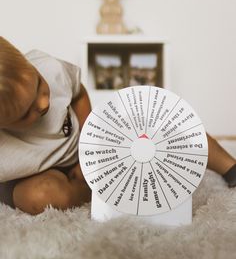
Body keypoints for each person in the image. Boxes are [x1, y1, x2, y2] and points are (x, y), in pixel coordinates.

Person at [0, 37, 235, 216]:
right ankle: (94, 190)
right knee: (41, 195)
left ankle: (228, 165)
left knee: (162, 126)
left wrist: (89, 143)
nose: (43, 103)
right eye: (25, 113)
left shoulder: (49, 68)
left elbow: (79, 94)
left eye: (39, 84)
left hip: (85, 143)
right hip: (37, 174)